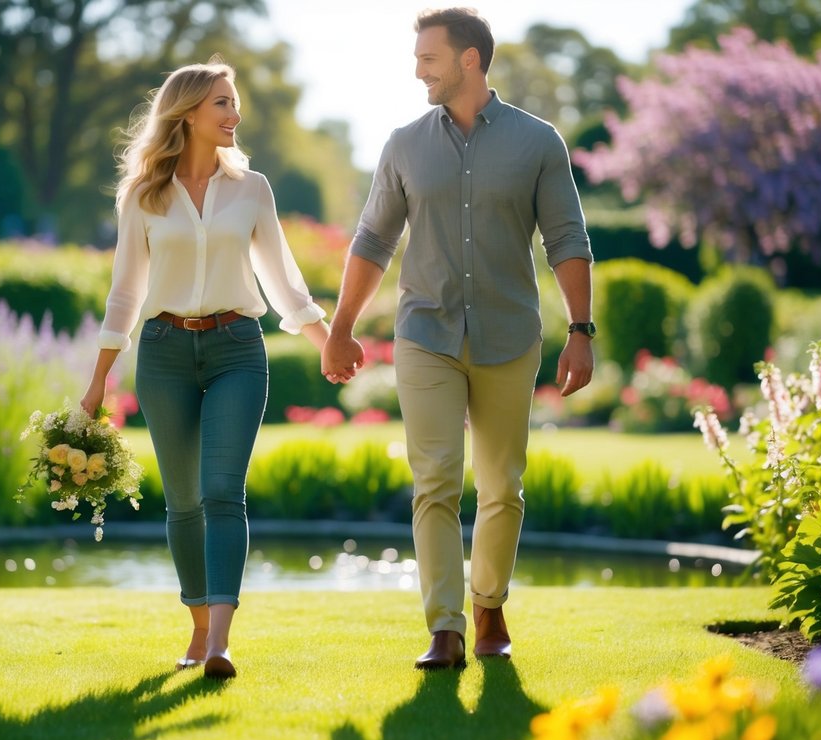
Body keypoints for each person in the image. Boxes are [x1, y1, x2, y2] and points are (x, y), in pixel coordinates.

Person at [321, 8, 595, 670]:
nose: (418, 70)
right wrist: (341, 326)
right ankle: (443, 628)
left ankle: (488, 605)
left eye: (429, 59)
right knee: (434, 481)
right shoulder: (403, 143)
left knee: (502, 485)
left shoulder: (538, 142)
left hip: (508, 333)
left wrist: (580, 330)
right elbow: (372, 240)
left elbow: (566, 240)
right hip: (426, 333)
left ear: (469, 60)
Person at [83, 61, 330, 680]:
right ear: (187, 112)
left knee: (222, 491)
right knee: (184, 502)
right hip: (164, 352)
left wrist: (327, 339)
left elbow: (281, 278)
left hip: (237, 350)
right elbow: (125, 294)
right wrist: (98, 379)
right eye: (222, 103)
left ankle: (219, 641)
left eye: (234, 103)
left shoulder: (252, 188)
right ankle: (197, 625)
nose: (233, 115)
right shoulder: (144, 194)